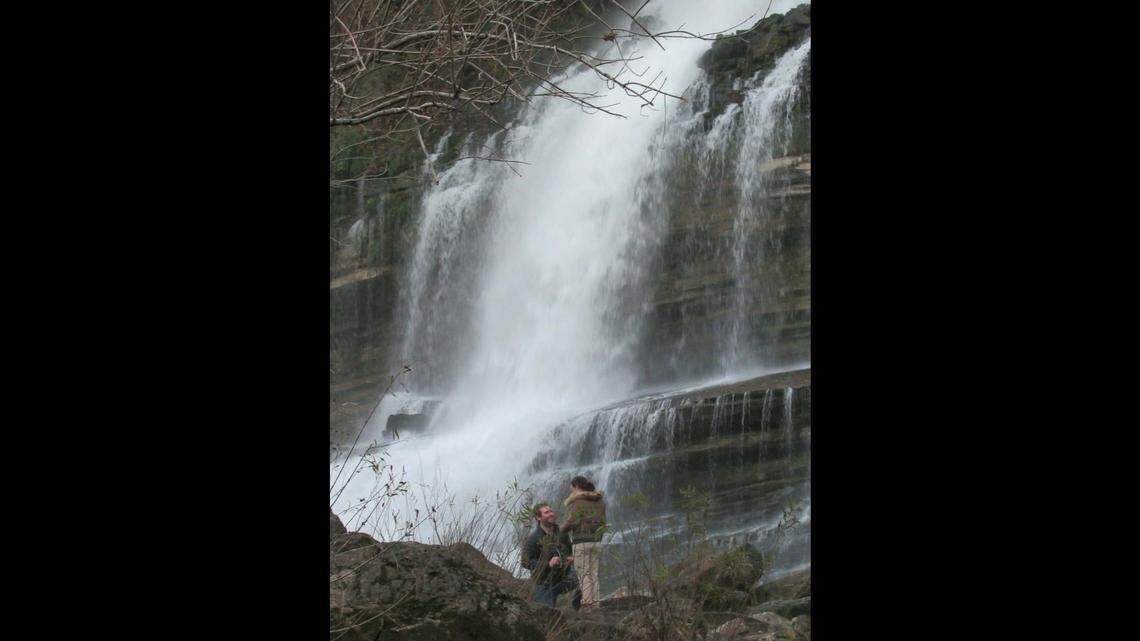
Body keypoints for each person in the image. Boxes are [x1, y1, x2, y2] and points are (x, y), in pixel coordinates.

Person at [521, 502, 581, 609]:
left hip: (564, 576)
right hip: (544, 581)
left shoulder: (562, 533)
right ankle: (550, 597)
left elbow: (571, 550)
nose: (551, 514)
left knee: (584, 576)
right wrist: (548, 564)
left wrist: (571, 557)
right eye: (546, 512)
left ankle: (576, 606)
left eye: (551, 511)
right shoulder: (533, 539)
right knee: (545, 612)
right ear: (538, 518)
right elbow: (525, 562)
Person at [559, 476, 606, 613]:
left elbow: (572, 521)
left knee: (583, 574)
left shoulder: (577, 501)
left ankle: (587, 604)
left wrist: (561, 529)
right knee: (594, 574)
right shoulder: (600, 501)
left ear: (577, 486)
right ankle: (596, 604)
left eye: (571, 487)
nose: (570, 489)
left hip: (581, 541)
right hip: (596, 541)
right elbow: (603, 523)